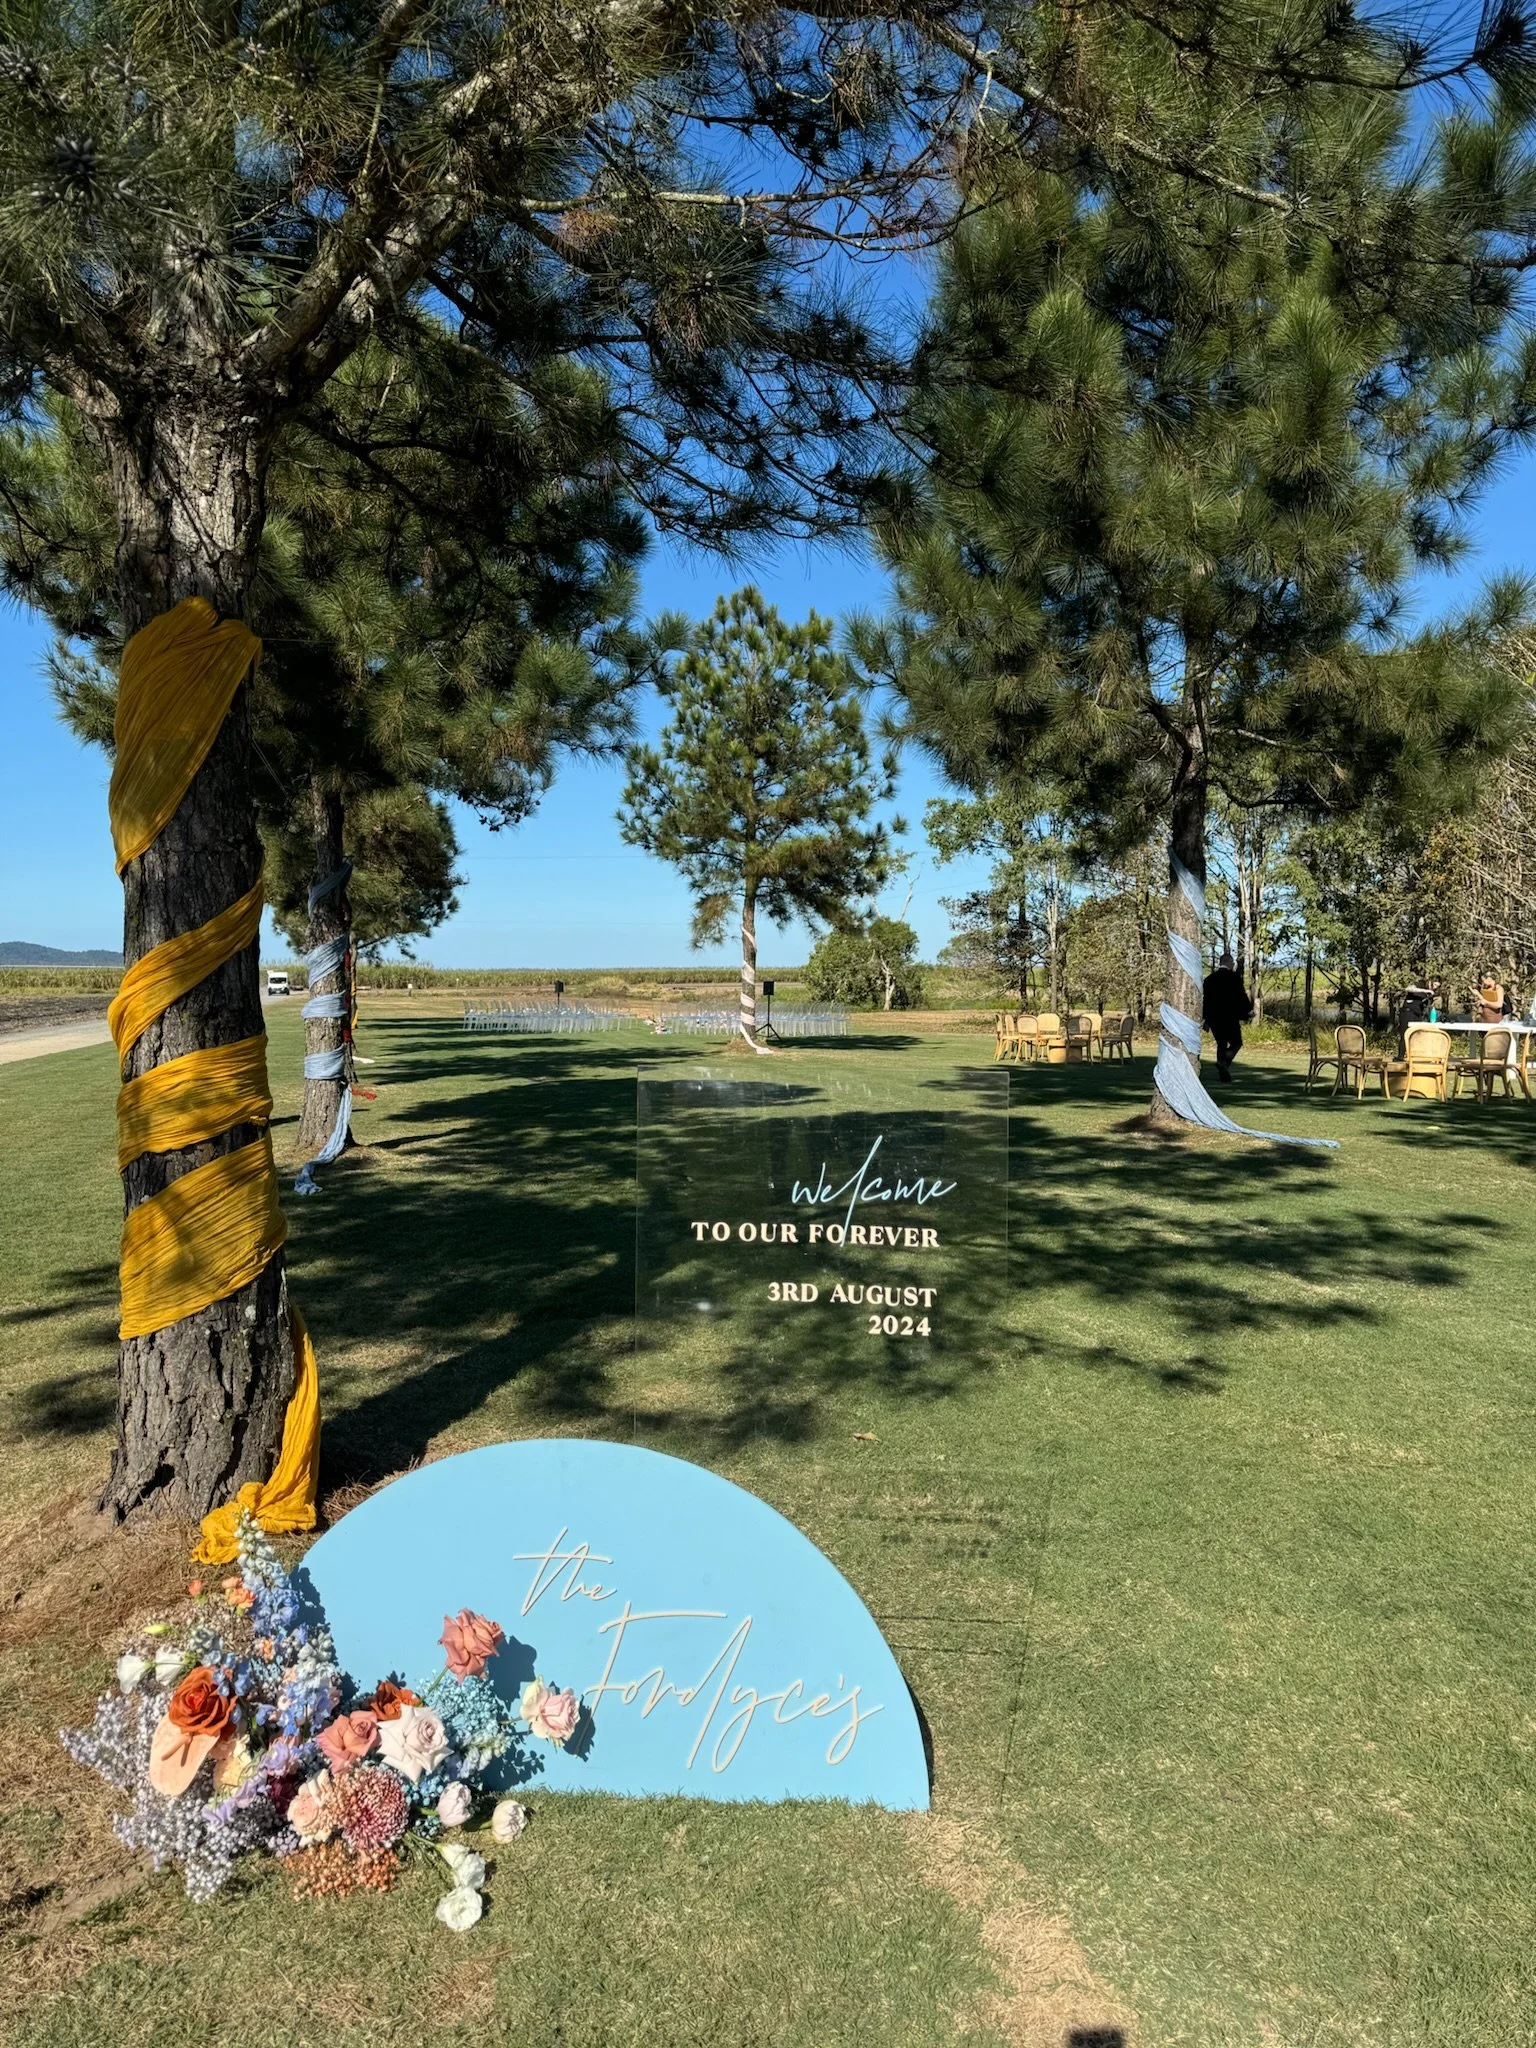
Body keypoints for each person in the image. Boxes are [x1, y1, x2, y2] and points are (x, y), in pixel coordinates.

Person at [1202, 952, 1254, 1083]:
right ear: (1229, 963)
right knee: (1236, 1042)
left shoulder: (1209, 980)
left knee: (1221, 1043)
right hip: (1230, 1018)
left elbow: (1206, 1001)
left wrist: (1206, 1020)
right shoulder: (1234, 978)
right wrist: (1247, 1012)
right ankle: (1223, 1062)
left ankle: (1223, 1073)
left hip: (1214, 1019)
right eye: (1232, 963)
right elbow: (1241, 997)